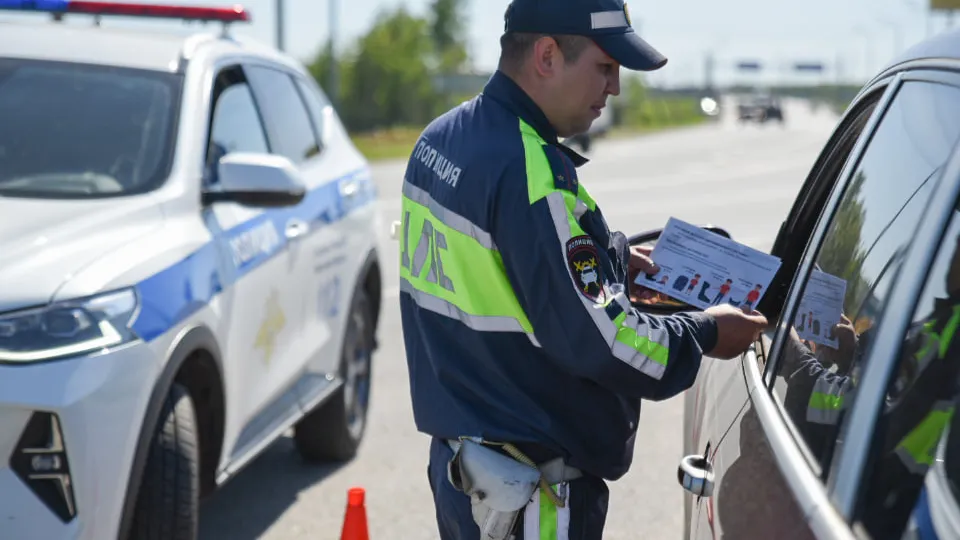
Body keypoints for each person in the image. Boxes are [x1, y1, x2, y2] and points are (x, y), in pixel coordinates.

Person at [397, 0, 769, 538]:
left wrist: (614, 263)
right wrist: (708, 332)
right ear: (547, 55)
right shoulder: (531, 172)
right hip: (532, 493)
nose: (614, 88)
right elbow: (607, 343)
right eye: (604, 66)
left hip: (464, 472)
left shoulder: (439, 142)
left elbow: (507, 276)